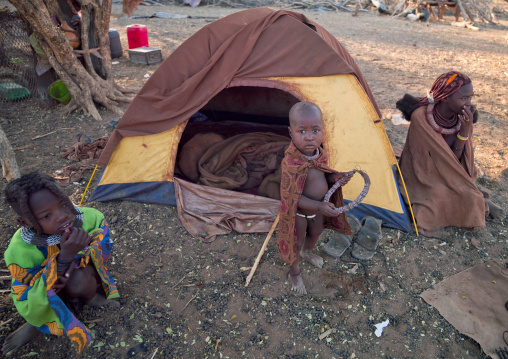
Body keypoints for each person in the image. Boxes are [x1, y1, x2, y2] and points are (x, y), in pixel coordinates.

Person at [2, 172, 119, 357]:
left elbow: (103, 250)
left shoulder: (90, 218)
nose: (63, 216)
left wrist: (78, 254)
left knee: (79, 278)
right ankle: (37, 321)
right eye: (47, 215)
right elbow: (30, 286)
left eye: (64, 204)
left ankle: (90, 298)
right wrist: (63, 258)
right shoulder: (19, 251)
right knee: (39, 297)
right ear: (26, 222)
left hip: (77, 277)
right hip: (42, 291)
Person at [396, 71, 504, 234]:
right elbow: (420, 163)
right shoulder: (421, 117)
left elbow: (456, 160)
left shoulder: (464, 117)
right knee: (433, 201)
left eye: (470, 97)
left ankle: (478, 199)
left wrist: (464, 131)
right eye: (463, 98)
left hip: (452, 171)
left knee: (468, 197)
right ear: (445, 97)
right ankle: (478, 199)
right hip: (425, 175)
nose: (468, 103)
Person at [277, 102, 353, 295]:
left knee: (317, 231)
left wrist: (335, 177)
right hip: (300, 213)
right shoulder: (290, 163)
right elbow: (292, 197)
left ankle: (308, 253)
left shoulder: (319, 155)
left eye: (315, 130)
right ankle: (294, 271)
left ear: (323, 130)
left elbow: (321, 176)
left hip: (318, 209)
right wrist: (319, 206)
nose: (310, 137)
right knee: (297, 241)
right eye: (302, 131)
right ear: (291, 133)